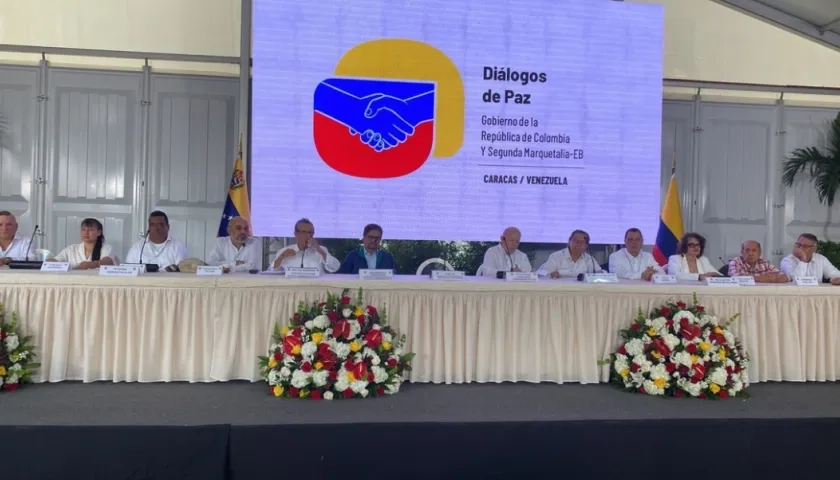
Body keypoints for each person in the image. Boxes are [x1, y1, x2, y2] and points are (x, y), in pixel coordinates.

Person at [271, 218, 340, 273]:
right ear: (296, 234)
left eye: (310, 232)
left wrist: (319, 250)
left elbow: (335, 267)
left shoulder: (321, 250)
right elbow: (271, 271)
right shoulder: (284, 251)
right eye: (304, 232)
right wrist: (282, 257)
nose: (308, 235)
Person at [50, 218, 117, 269]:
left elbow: (107, 261)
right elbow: (56, 260)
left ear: (99, 232)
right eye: (83, 229)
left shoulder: (106, 248)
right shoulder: (71, 249)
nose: (86, 233)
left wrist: (91, 264)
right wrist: (48, 262)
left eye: (90, 230)